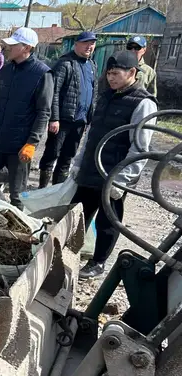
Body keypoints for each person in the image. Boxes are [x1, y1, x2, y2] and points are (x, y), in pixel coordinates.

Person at [70, 50, 157, 279]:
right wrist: (79, 162)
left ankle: (98, 263)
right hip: (90, 169)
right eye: (109, 73)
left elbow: (140, 148)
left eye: (116, 73)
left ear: (132, 72)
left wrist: (123, 179)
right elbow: (91, 134)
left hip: (114, 175)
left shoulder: (143, 104)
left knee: (107, 221)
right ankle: (68, 255)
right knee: (76, 213)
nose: (111, 78)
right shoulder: (106, 96)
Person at [0, 27, 53, 209]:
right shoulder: (6, 70)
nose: (7, 47)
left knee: (18, 194)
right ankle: (4, 210)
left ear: (26, 48)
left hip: (19, 145)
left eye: (13, 45)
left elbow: (44, 112)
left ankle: (18, 229)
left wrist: (32, 143)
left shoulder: (42, 73)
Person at [38, 31, 98, 188]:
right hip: (62, 121)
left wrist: (90, 118)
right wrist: (54, 118)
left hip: (80, 122)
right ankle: (42, 189)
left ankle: (57, 190)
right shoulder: (65, 63)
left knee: (68, 157)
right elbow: (54, 92)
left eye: (92, 43)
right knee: (51, 154)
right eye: (86, 43)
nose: (89, 46)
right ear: (76, 44)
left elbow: (94, 92)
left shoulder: (92, 65)